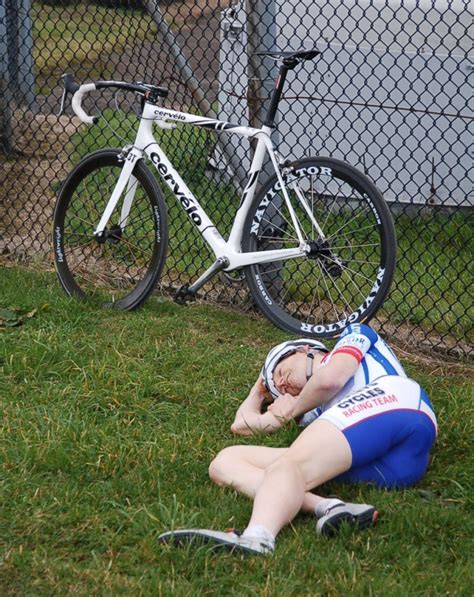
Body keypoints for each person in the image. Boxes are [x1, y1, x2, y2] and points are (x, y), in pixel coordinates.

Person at [159, 324, 437, 555]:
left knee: (290, 464)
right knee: (225, 462)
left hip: (398, 403)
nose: (280, 384)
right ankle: (329, 506)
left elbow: (329, 380)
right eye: (277, 389)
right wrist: (259, 390)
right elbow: (241, 425)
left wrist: (289, 409)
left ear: (304, 349)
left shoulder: (351, 336)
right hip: (392, 467)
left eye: (279, 372)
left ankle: (258, 537)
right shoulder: (314, 412)